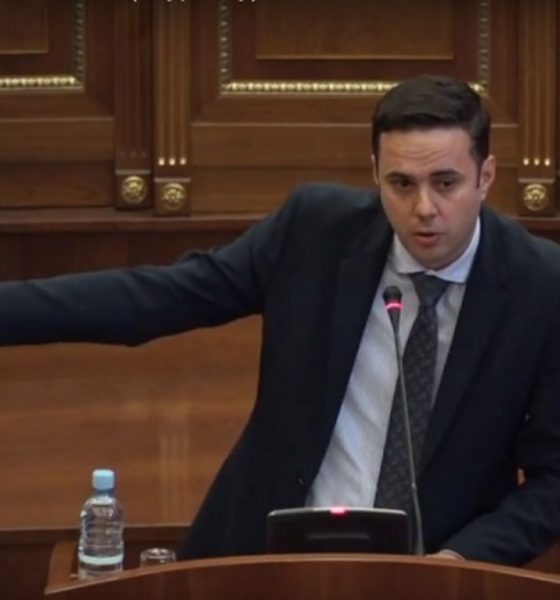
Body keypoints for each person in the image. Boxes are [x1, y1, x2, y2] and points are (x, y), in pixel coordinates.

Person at [1, 75, 560, 566]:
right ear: (375, 173)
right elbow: (157, 298)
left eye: (445, 183)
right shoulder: (315, 233)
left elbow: (554, 481)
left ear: (485, 176)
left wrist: (459, 560)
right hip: (266, 560)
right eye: (401, 184)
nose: (424, 209)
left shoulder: (540, 286)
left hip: (429, 572)